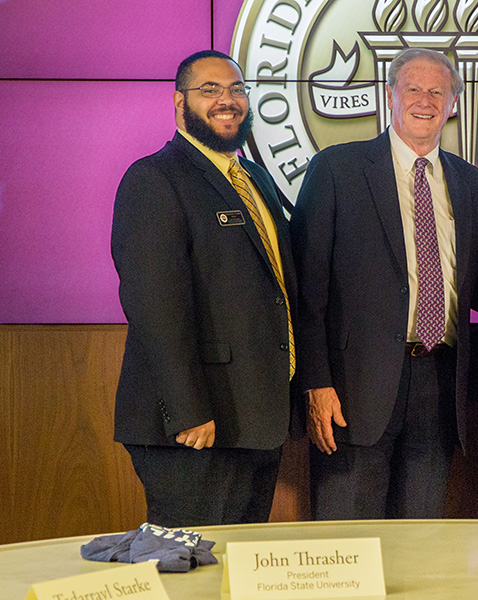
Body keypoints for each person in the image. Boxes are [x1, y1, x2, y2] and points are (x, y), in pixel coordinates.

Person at [290, 48, 478, 520]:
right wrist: (316, 384)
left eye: (437, 92)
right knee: (347, 546)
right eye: (413, 89)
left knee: (419, 542)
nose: (424, 100)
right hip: (353, 386)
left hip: (440, 383)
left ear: (453, 105)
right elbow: (309, 293)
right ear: (389, 96)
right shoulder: (337, 170)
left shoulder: (473, 185)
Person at [111, 50, 297, 527]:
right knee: (191, 576)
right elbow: (155, 307)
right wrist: (188, 410)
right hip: (194, 428)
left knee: (235, 574)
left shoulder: (255, 178)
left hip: (253, 419)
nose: (227, 100)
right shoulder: (153, 179)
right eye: (209, 90)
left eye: (236, 89)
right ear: (179, 103)